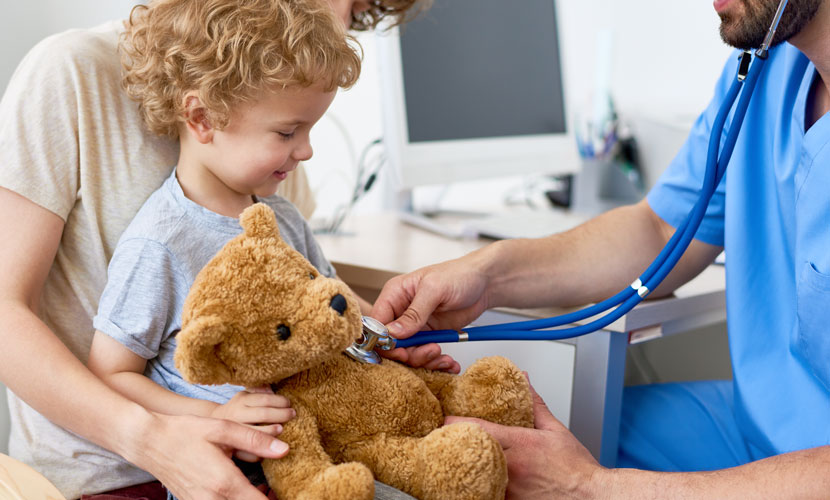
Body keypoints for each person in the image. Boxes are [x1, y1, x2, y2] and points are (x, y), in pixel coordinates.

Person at [371, 0, 830, 497]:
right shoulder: (767, 70)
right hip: (754, 430)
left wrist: (591, 486)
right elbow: (659, 230)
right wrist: (487, 275)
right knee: (510, 436)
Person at [0, 0, 452, 499]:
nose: (339, 21)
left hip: (280, 446)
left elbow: (308, 303)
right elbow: (6, 311)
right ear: (201, 116)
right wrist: (164, 436)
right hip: (117, 472)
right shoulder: (73, 75)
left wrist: (387, 338)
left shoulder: (273, 139)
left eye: (357, 7)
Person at [81, 0, 362, 496]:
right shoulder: (159, 242)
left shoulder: (286, 220)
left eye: (311, 129)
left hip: (319, 449)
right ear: (202, 117)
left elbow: (337, 311)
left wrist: (389, 340)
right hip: (225, 477)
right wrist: (217, 416)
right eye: (287, 132)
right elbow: (111, 374)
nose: (307, 150)